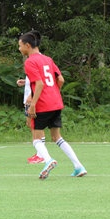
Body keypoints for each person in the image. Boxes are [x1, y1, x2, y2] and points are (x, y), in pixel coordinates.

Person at [18, 31, 87, 179]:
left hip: (42, 104)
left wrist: (33, 104)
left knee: (37, 139)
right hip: (56, 103)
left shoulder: (30, 62)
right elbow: (60, 79)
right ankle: (78, 166)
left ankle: (48, 160)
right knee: (57, 137)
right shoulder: (48, 59)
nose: (19, 49)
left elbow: (40, 84)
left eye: (20, 45)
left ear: (27, 45)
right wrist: (54, 93)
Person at [17, 75, 45, 164]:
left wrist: (31, 96)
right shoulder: (30, 69)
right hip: (29, 100)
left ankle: (42, 155)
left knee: (36, 125)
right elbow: (35, 80)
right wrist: (25, 82)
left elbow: (41, 82)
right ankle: (39, 152)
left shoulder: (35, 67)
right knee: (30, 124)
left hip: (33, 100)